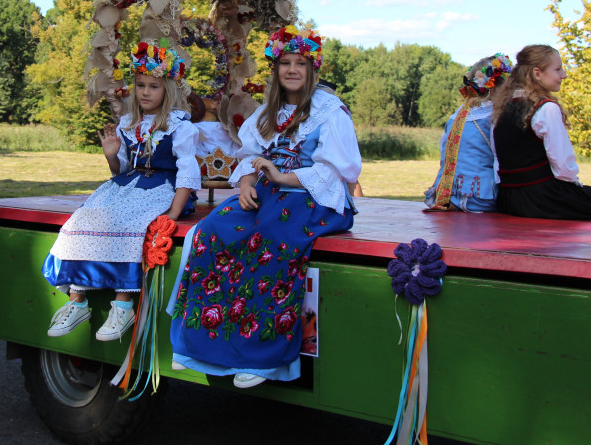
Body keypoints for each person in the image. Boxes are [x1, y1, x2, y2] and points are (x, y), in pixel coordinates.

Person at [168, 26, 362, 389]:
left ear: (312, 68)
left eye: (300, 63)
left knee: (270, 237)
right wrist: (246, 183)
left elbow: (337, 171)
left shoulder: (329, 111)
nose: (292, 70)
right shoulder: (267, 112)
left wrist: (281, 175)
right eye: (285, 63)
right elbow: (248, 156)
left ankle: (260, 355)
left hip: (313, 197)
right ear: (275, 68)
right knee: (213, 230)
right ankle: (199, 344)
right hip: (271, 191)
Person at [43, 41, 201, 341]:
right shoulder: (129, 124)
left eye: (153, 86)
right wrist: (111, 155)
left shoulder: (180, 126)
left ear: (167, 89)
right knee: (85, 217)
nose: (145, 92)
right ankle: (77, 300)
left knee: (130, 223)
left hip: (162, 189)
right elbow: (121, 171)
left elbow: (187, 173)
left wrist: (174, 212)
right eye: (140, 85)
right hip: (128, 186)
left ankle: (123, 305)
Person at [491, 44, 591, 220]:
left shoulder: (501, 108)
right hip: (542, 199)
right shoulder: (546, 108)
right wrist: (577, 192)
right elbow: (564, 167)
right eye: (558, 69)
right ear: (537, 73)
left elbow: (498, 161)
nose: (564, 75)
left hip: (508, 199)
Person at [424, 54, 513, 212]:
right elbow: (501, 159)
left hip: (447, 195)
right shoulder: (493, 115)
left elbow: (444, 152)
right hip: (481, 196)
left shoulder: (457, 116)